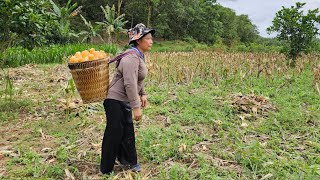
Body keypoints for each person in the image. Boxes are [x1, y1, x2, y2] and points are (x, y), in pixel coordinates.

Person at [100, 23, 155, 175]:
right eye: (148, 38)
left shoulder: (138, 56)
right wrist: (136, 107)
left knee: (127, 131)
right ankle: (106, 170)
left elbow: (137, 79)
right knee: (115, 133)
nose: (151, 41)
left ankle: (129, 162)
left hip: (123, 100)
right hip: (115, 100)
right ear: (138, 40)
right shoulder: (131, 57)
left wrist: (143, 93)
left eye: (151, 38)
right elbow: (129, 83)